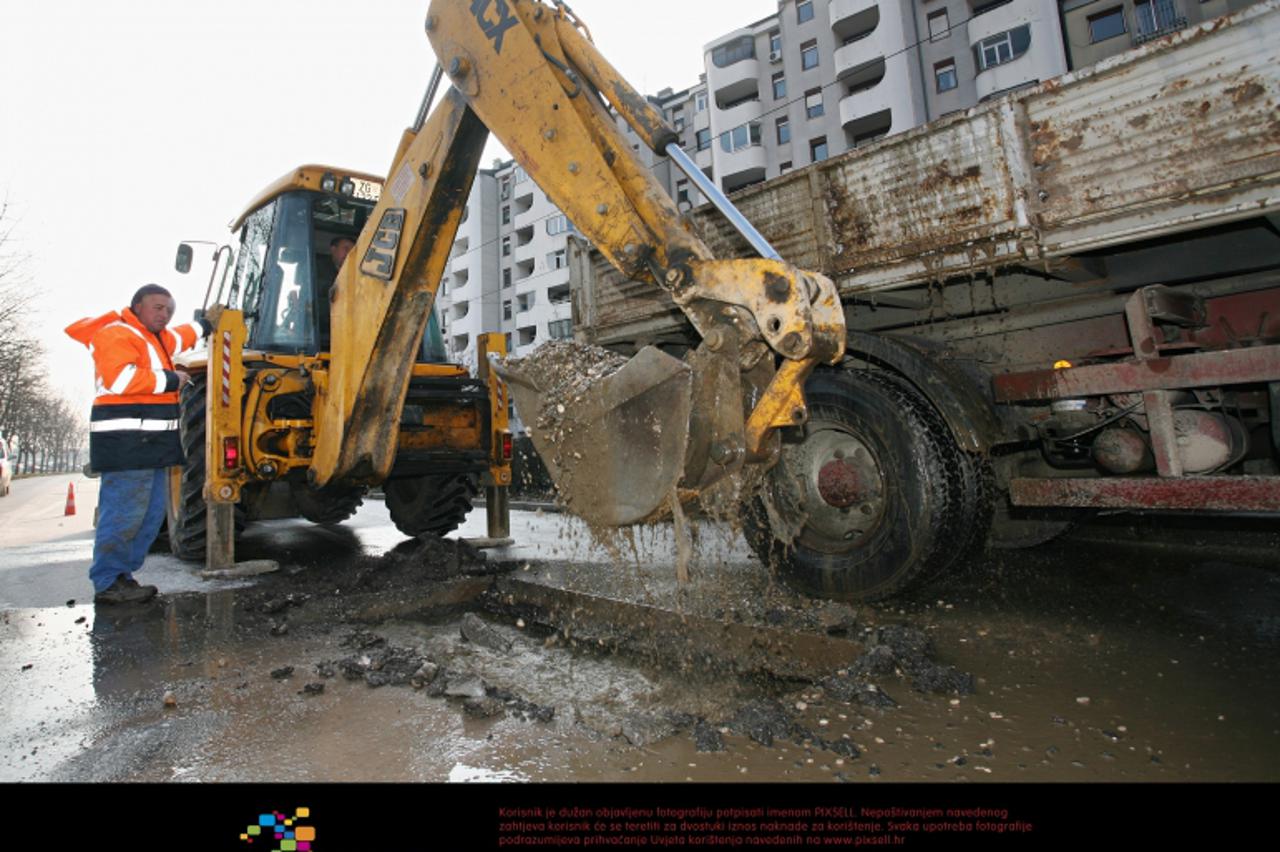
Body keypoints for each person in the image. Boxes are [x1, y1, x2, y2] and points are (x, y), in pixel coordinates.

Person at [65, 285, 208, 604]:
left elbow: (183, 335)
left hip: (152, 446)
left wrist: (206, 324)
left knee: (149, 515)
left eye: (169, 310)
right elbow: (120, 379)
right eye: (158, 307)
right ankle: (108, 581)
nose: (164, 314)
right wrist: (173, 379)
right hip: (127, 445)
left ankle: (122, 578)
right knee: (125, 513)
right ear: (137, 307)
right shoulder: (117, 333)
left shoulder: (157, 338)